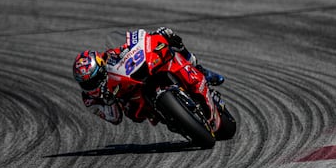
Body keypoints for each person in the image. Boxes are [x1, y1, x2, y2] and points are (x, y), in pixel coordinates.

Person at [73, 27, 224, 125]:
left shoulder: (109, 56)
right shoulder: (89, 99)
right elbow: (115, 118)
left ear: (101, 68)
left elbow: (130, 43)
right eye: (87, 84)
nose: (92, 85)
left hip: (139, 76)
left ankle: (200, 70)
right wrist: (109, 101)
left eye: (95, 79)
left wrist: (148, 37)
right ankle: (174, 117)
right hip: (133, 102)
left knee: (169, 36)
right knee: (136, 113)